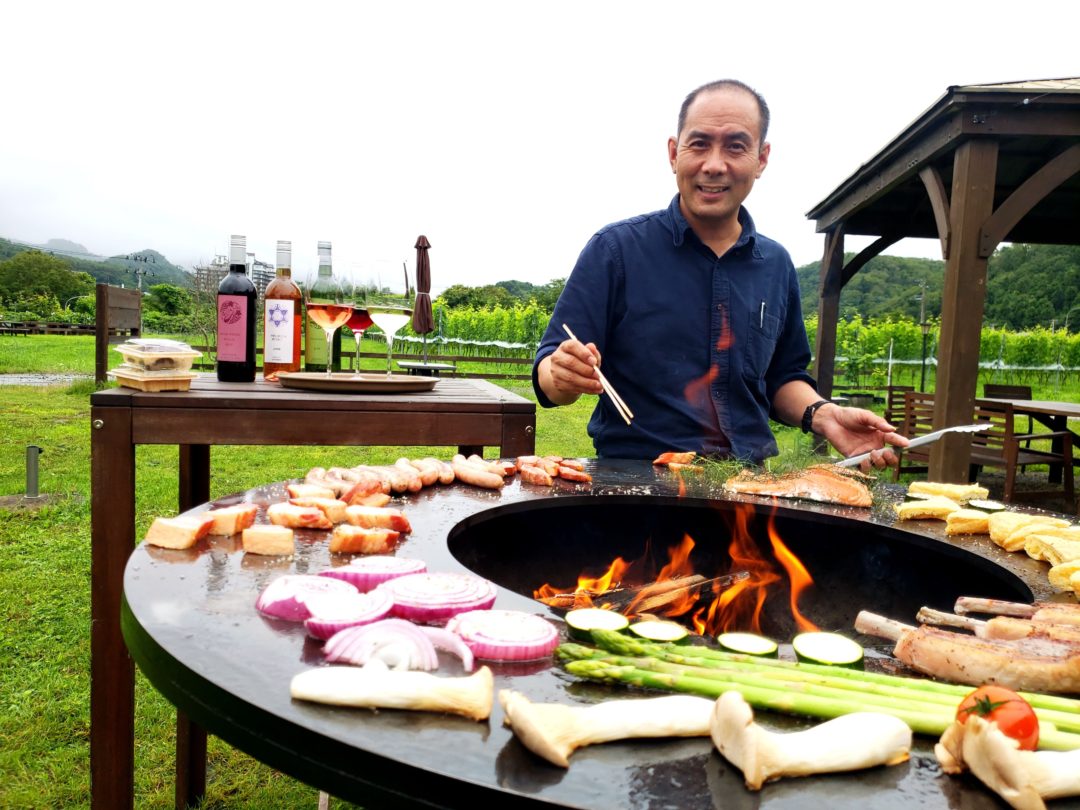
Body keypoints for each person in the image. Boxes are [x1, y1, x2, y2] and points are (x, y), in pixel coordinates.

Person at [533, 79, 905, 469]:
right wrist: (561, 374)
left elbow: (782, 376)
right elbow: (549, 370)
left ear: (761, 159)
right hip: (636, 484)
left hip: (747, 491)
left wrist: (825, 415)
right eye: (699, 144)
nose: (713, 165)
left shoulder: (776, 264)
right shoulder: (616, 250)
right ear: (674, 154)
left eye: (735, 146)